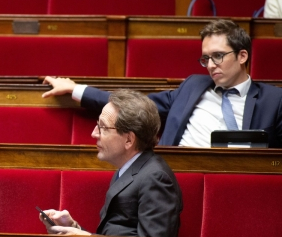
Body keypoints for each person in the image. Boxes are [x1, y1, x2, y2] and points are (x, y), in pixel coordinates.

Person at [42, 19, 282, 148]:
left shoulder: (274, 100)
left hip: (242, 182)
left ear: (242, 56)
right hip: (176, 177)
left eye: (218, 56)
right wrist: (76, 90)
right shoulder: (192, 87)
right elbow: (135, 104)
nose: (210, 65)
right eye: (205, 58)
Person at [39, 90, 182, 237]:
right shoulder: (128, 169)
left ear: (129, 140)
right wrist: (75, 228)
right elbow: (114, 235)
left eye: (103, 128)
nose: (94, 133)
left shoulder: (156, 178)